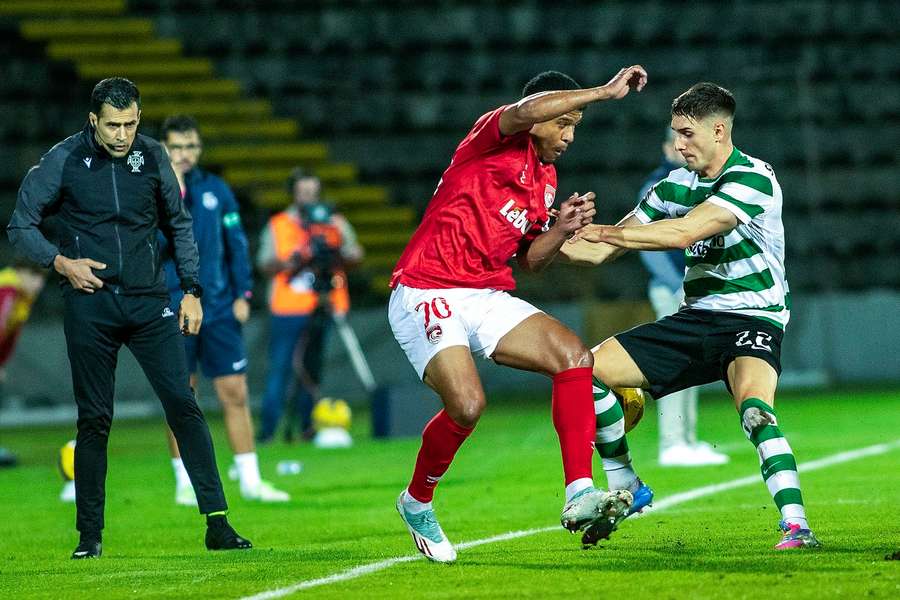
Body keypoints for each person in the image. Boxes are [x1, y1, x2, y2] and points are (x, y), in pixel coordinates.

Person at [388, 66, 649, 563]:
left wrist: (562, 227)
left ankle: (579, 491)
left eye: (576, 126)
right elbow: (526, 109)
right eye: (565, 123)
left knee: (573, 356)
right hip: (427, 288)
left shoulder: (546, 181)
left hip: (485, 293)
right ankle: (417, 501)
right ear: (541, 116)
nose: (570, 136)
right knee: (466, 405)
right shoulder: (492, 138)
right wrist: (602, 93)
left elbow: (529, 261)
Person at [564, 82, 819, 550]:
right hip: (696, 319)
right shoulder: (673, 185)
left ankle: (797, 525)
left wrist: (604, 233)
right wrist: (539, 236)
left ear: (718, 130)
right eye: (675, 133)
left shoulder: (753, 177)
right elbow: (600, 251)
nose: (678, 144)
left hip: (753, 319)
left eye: (686, 133)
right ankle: (626, 482)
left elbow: (685, 232)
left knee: (757, 413)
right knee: (583, 369)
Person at [7, 77, 251, 558]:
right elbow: (21, 224)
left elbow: (178, 225)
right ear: (93, 120)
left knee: (184, 403)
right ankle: (89, 538)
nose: (123, 135)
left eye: (131, 124)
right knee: (95, 419)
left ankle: (218, 523)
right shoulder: (65, 160)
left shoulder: (153, 155)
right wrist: (60, 263)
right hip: (90, 304)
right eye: (114, 125)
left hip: (148, 300)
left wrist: (192, 290)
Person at [160, 114, 289, 504]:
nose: (185, 154)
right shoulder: (152, 192)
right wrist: (175, 194)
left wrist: (242, 295)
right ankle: (185, 483)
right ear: (164, 149)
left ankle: (251, 480)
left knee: (234, 391)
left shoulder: (218, 190)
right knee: (182, 395)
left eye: (191, 147)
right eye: (177, 147)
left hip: (217, 308)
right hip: (172, 304)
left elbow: (236, 244)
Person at [638, 130, 728, 467]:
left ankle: (687, 439)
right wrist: (678, 284)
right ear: (666, 147)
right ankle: (672, 443)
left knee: (692, 365)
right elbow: (648, 246)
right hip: (673, 288)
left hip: (691, 288)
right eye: (678, 141)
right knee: (676, 365)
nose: (684, 147)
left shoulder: (697, 184)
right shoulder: (658, 184)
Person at [255, 168, 363, 442]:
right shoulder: (279, 224)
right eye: (303, 192)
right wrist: (293, 260)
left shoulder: (333, 221)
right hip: (287, 308)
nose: (309, 198)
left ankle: (306, 427)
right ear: (292, 193)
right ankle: (268, 431)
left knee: (312, 371)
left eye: (313, 192)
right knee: (280, 369)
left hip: (323, 304)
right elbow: (265, 264)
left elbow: (355, 253)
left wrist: (338, 253)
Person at [0, 261, 47, 469]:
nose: (38, 284)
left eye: (42, 280)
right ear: (21, 273)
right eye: (34, 277)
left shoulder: (22, 296)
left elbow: (10, 336)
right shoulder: (7, 290)